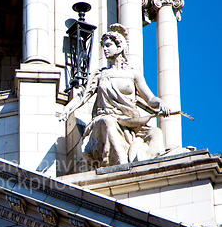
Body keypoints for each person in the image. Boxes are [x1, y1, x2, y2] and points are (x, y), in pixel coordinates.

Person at [60, 24, 170, 169]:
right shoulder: (100, 75)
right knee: (108, 121)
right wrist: (67, 109)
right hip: (105, 120)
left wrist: (160, 103)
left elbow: (150, 98)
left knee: (155, 132)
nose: (104, 49)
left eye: (108, 45)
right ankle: (123, 168)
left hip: (130, 122)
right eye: (103, 46)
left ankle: (154, 169)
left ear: (119, 47)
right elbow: (82, 97)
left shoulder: (133, 74)